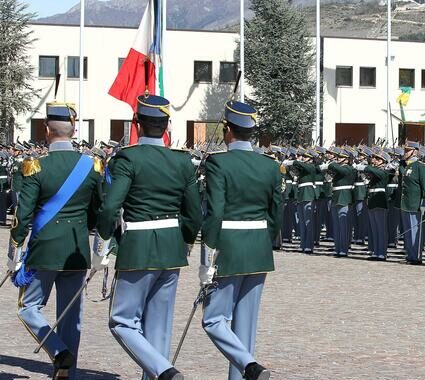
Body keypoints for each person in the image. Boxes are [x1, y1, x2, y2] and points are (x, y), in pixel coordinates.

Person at [97, 94, 202, 380]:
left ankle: (164, 371)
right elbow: (194, 214)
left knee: (121, 321)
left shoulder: (128, 158)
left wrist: (102, 243)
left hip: (138, 247)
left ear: (137, 125)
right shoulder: (182, 162)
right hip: (171, 248)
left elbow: (110, 207)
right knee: (159, 327)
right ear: (167, 126)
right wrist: (185, 241)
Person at [9, 102, 103, 380]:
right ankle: (67, 373)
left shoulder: (36, 166)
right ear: (73, 131)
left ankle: (58, 351)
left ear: (47, 131)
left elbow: (22, 215)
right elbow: (98, 211)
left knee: (28, 308)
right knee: (71, 316)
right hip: (76, 249)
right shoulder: (92, 165)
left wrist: (13, 254)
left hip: (45, 248)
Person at [199, 101, 282, 380]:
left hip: (229, 249)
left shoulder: (219, 163)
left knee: (213, 320)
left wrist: (208, 256)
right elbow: (275, 213)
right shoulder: (269, 165)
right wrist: (262, 240)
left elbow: (215, 213)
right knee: (245, 327)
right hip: (258, 248)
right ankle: (247, 371)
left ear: (227, 130)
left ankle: (250, 365)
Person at [399, 141, 425, 265]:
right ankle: (410, 254)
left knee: (415, 231)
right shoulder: (406, 165)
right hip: (405, 203)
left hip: (415, 203)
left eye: (408, 150)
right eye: (405, 150)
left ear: (415, 152)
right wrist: (401, 162)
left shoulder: (420, 167)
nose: (405, 153)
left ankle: (417, 255)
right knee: (408, 231)